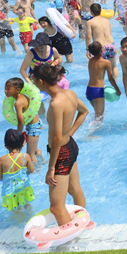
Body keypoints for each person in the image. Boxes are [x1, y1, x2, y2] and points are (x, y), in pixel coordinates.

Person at [33, 64, 88, 226]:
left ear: (41, 81)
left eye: (34, 80)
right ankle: (81, 225)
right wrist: (69, 134)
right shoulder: (69, 94)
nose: (33, 82)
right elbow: (84, 111)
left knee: (56, 207)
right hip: (70, 147)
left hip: (61, 154)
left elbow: (57, 139)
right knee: (75, 190)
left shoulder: (56, 104)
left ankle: (70, 240)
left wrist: (51, 168)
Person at [4, 77, 43, 162]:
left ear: (18, 90)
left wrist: (19, 135)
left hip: (33, 127)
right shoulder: (24, 96)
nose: (5, 91)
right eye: (5, 88)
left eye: (8, 89)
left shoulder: (18, 103)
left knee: (30, 154)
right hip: (36, 124)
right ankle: (43, 161)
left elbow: (21, 122)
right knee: (34, 148)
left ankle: (35, 171)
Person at [0, 129, 35, 211]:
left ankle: (18, 223)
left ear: (6, 146)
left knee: (15, 210)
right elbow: (32, 170)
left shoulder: (2, 160)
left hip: (10, 191)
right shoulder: (25, 156)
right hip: (24, 187)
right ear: (23, 143)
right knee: (27, 204)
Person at [86, 42, 121, 121]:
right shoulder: (106, 62)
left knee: (97, 115)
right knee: (99, 118)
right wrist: (117, 89)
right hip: (98, 91)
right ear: (102, 50)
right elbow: (110, 78)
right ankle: (90, 133)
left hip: (89, 90)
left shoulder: (90, 61)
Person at [85, 3, 119, 79]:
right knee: (114, 67)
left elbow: (88, 37)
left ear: (91, 11)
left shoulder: (90, 22)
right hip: (111, 44)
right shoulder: (107, 20)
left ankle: (101, 84)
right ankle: (116, 82)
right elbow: (109, 33)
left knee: (99, 68)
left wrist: (88, 50)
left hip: (99, 47)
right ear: (101, 11)